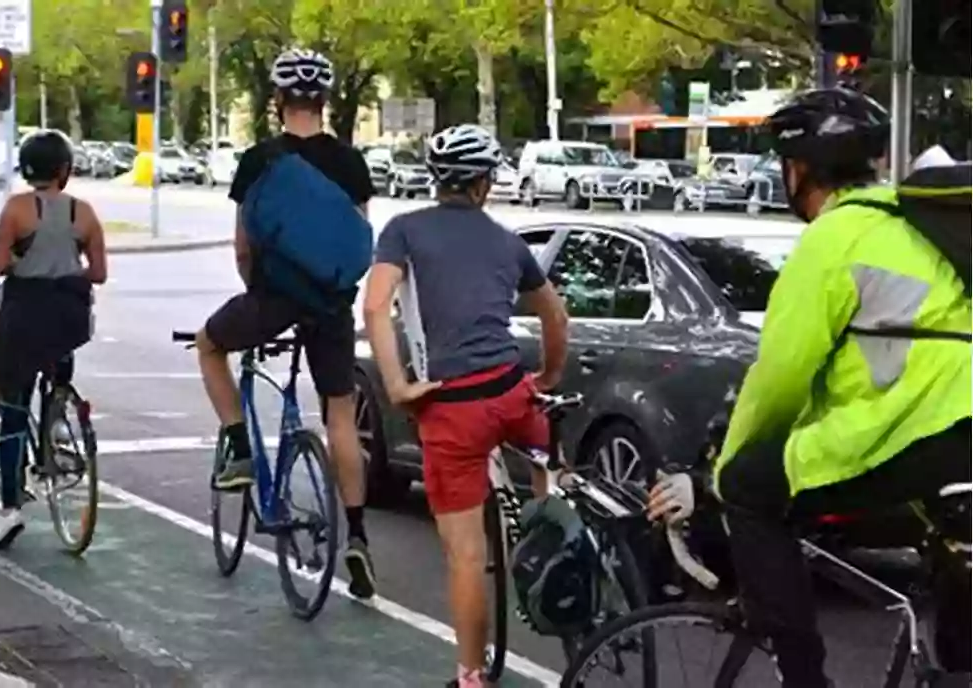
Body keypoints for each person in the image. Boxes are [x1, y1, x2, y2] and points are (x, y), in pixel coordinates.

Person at [648, 87, 972, 687]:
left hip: (920, 434)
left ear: (797, 170)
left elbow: (778, 382)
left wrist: (720, 469)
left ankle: (804, 681)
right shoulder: (920, 229)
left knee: (752, 489)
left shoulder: (834, 238)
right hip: (957, 435)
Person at [362, 124, 568, 688]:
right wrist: (547, 375)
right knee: (545, 458)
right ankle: (553, 527)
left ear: (437, 180)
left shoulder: (403, 231)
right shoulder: (507, 240)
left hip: (452, 409)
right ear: (484, 183)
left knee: (465, 555)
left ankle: (472, 675)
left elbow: (376, 307)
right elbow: (555, 315)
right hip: (510, 392)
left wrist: (399, 385)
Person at [191, 47, 379, 600]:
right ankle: (358, 536)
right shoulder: (350, 163)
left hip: (273, 301)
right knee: (340, 417)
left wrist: (258, 296)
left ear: (278, 101)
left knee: (208, 344)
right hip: (331, 306)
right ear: (324, 101)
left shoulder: (259, 161)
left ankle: (239, 448)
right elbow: (359, 241)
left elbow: (244, 244)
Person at [0, 129, 107, 550]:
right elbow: (98, 274)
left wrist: (25, 258)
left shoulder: (17, 210)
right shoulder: (84, 213)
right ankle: (56, 426)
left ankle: (10, 507)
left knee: (12, 408)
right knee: (57, 369)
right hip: (67, 320)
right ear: (65, 170)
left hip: (22, 317)